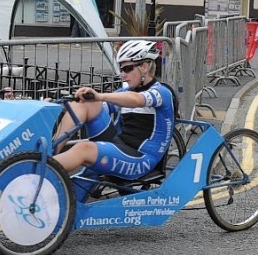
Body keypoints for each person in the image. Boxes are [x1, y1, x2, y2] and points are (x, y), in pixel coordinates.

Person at [52, 40, 175, 192]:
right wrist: (55, 107)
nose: (122, 75)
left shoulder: (162, 92)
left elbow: (137, 101)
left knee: (84, 148)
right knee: (86, 104)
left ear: (144, 67)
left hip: (142, 159)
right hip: (119, 145)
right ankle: (51, 152)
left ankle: (37, 170)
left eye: (127, 69)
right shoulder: (126, 92)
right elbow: (96, 108)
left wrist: (100, 96)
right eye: (121, 69)